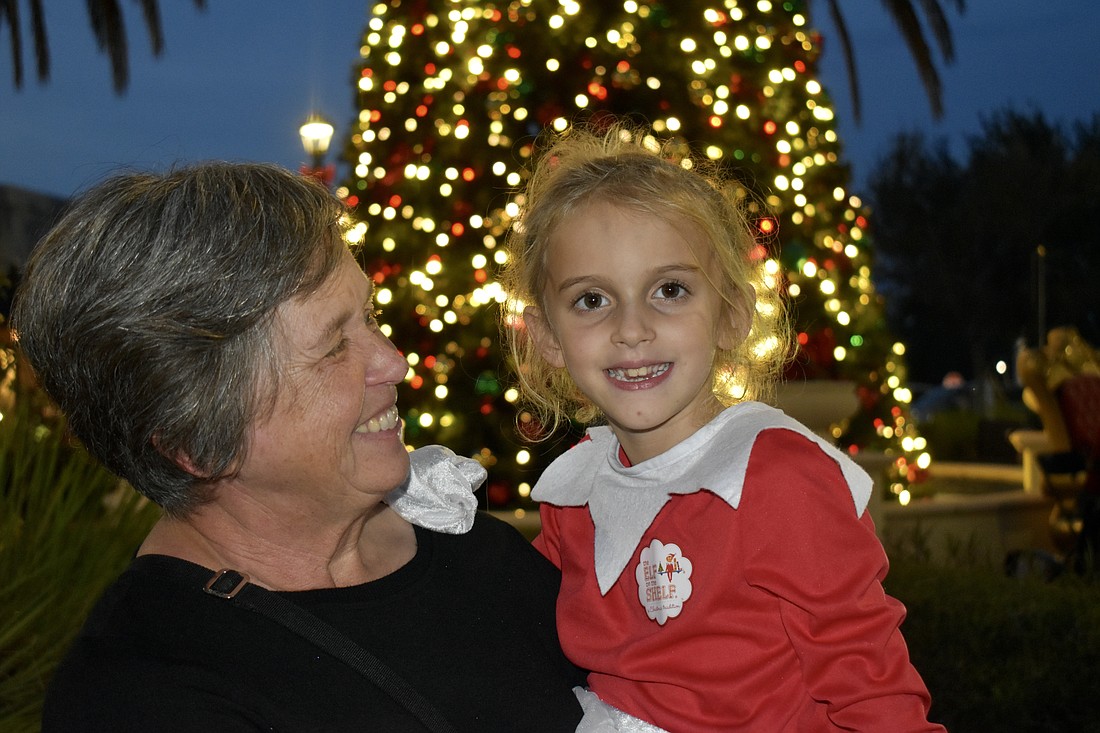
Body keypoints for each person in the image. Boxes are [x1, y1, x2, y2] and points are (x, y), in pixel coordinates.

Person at [12, 162, 586, 732]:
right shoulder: (144, 694)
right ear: (198, 441)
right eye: (334, 346)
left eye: (369, 316)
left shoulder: (476, 552)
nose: (393, 361)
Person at [501, 123, 946, 732]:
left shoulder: (778, 479)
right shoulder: (573, 491)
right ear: (548, 336)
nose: (632, 328)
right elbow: (513, 638)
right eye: (592, 300)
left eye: (669, 290)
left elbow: (875, 695)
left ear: (732, 315)